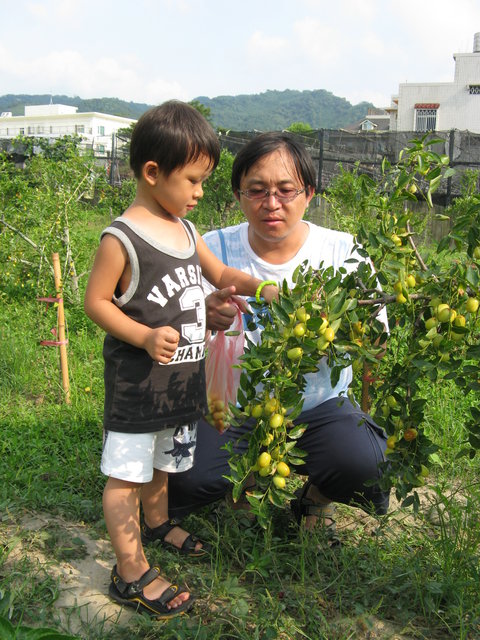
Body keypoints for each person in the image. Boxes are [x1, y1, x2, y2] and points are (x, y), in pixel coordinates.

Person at [84, 101, 277, 619]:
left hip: (181, 385)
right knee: (126, 474)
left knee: (164, 463)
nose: (198, 193)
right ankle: (130, 571)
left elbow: (224, 279)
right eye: (193, 181)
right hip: (138, 387)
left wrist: (267, 289)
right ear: (152, 172)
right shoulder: (120, 238)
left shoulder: (189, 235)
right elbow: (96, 302)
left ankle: (158, 522)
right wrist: (145, 337)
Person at [168, 131, 390, 541]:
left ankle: (315, 498)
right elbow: (167, 334)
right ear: (238, 195)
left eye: (286, 190)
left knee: (367, 463)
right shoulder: (210, 250)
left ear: (309, 193)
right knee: (182, 479)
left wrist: (339, 326)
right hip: (232, 410)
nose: (272, 203)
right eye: (257, 190)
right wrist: (202, 318)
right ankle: (242, 490)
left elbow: (374, 343)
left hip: (319, 409)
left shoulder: (345, 254)